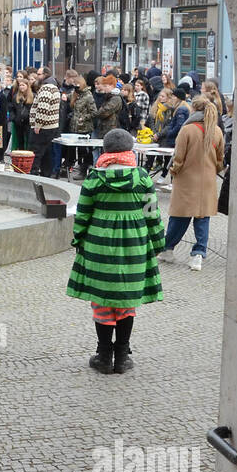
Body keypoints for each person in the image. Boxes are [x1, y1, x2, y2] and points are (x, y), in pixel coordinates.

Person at [67, 127, 165, 374]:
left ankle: (103, 355)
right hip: (135, 245)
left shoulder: (94, 179)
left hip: (99, 246)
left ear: (106, 151)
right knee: (125, 301)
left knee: (102, 301)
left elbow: (83, 215)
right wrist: (157, 243)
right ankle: (122, 356)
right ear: (130, 150)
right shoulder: (143, 178)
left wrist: (79, 240)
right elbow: (152, 215)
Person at [158, 95, 225, 269]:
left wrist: (173, 170)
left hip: (186, 180)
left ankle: (168, 249)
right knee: (202, 218)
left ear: (194, 109)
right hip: (208, 181)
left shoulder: (187, 129)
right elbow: (220, 159)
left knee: (179, 217)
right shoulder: (216, 131)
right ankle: (198, 254)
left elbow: (178, 157)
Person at [28, 70, 61, 176]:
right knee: (46, 153)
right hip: (50, 126)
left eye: (39, 74)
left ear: (45, 75)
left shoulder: (47, 88)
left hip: (44, 127)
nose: (37, 76)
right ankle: (46, 175)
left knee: (36, 152)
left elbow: (43, 108)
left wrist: (38, 125)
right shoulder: (53, 87)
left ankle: (34, 174)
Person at [67, 73, 97, 179]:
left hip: (84, 127)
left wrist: (83, 118)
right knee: (76, 150)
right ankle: (77, 167)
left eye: (77, 84)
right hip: (74, 126)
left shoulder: (88, 96)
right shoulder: (75, 94)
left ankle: (84, 170)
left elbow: (94, 112)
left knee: (84, 151)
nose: (75, 85)